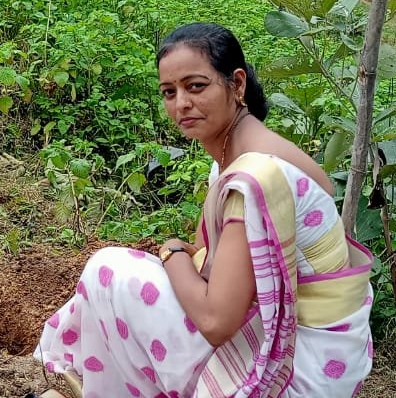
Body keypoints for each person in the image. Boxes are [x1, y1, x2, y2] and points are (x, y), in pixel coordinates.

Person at [33, 23, 374, 397]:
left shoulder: (256, 175)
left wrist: (170, 251)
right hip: (328, 352)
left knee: (107, 271)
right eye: (169, 92)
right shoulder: (241, 153)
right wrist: (184, 258)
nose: (181, 103)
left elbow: (214, 319)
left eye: (196, 86)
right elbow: (207, 262)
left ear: (237, 84)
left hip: (298, 371)